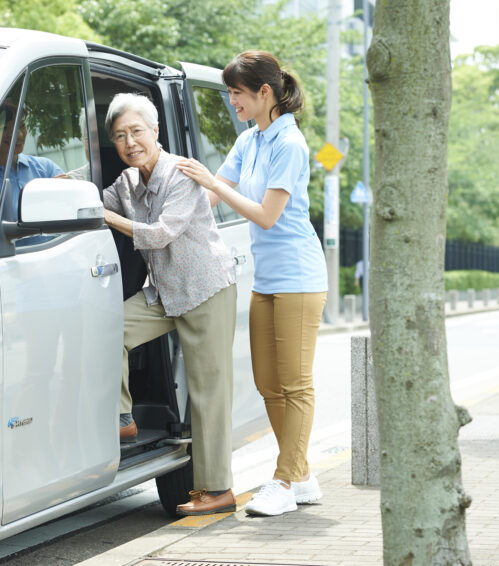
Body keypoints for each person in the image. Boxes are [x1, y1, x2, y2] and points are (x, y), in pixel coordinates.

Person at [177, 51, 328, 517]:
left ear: (265, 93)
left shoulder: (290, 145)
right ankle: (301, 476)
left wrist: (216, 187)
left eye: (237, 93)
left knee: (295, 384)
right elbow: (208, 189)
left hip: (300, 276)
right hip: (267, 277)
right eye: (230, 93)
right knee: (268, 384)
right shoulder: (250, 140)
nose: (232, 101)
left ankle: (284, 481)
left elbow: (266, 213)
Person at [102, 93, 238, 517]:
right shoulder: (126, 183)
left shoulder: (182, 174)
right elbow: (93, 204)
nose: (129, 143)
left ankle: (218, 491)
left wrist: (108, 217)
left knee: (207, 393)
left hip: (204, 289)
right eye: (120, 136)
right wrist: (67, 187)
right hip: (163, 294)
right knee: (110, 330)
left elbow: (160, 234)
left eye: (136, 132)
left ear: (155, 131)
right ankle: (124, 418)